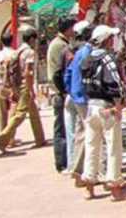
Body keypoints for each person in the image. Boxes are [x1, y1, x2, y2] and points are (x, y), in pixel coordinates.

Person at [81, 25, 126, 201]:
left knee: (92, 147)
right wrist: (119, 105)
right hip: (107, 107)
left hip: (91, 107)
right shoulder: (107, 59)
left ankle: (89, 188)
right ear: (106, 40)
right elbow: (115, 83)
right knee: (114, 148)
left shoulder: (86, 59)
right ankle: (114, 187)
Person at [0, 26, 46, 154]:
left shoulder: (18, 51)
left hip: (15, 85)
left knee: (33, 113)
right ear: (32, 39)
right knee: (20, 114)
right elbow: (28, 72)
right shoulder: (29, 52)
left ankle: (40, 139)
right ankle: (2, 139)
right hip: (25, 86)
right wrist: (30, 89)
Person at [62, 20, 92, 183]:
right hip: (84, 97)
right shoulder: (87, 52)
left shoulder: (78, 52)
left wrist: (70, 90)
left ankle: (76, 168)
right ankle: (89, 173)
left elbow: (68, 74)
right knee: (93, 133)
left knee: (81, 133)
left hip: (75, 95)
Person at [47, 17, 75, 173]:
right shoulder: (60, 46)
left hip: (59, 92)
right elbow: (58, 73)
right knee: (62, 129)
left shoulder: (59, 44)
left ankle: (64, 160)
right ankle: (62, 162)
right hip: (59, 93)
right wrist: (64, 91)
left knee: (63, 127)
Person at [0, 32, 17, 140]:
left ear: (2, 42)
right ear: (12, 41)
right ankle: (10, 137)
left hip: (0, 86)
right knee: (13, 113)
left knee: (1, 113)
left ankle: (2, 136)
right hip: (12, 86)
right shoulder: (15, 54)